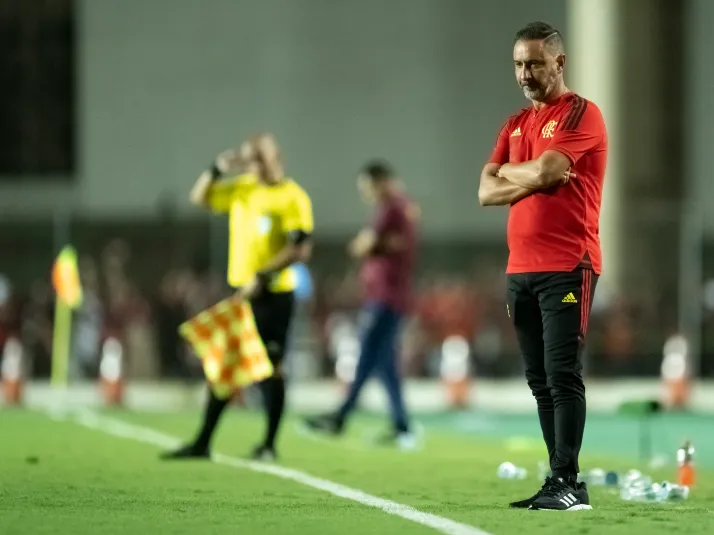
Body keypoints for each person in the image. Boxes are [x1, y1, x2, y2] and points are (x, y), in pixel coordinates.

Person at [479, 22, 607, 511]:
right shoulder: (514, 124)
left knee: (562, 373)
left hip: (568, 263)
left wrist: (514, 173)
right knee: (539, 380)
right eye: (518, 64)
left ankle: (568, 481)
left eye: (534, 63)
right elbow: (485, 191)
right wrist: (530, 174)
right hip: (521, 269)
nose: (524, 73)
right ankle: (558, 480)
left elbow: (549, 169)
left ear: (559, 62)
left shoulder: (581, 113)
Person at [162, 133, 314, 461]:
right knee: (225, 365)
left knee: (271, 368)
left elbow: (300, 249)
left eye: (258, 157)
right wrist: (217, 168)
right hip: (244, 295)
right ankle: (202, 442)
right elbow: (199, 197)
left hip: (275, 295)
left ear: (276, 158)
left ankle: (269, 444)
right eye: (248, 158)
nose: (252, 165)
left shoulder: (293, 197)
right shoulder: (243, 188)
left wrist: (263, 275)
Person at [305, 160, 418, 449]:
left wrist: (366, 244)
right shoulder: (403, 208)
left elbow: (363, 245)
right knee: (385, 363)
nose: (365, 194)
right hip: (389, 295)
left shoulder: (391, 208)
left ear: (381, 182)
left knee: (368, 355)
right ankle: (401, 425)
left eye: (367, 187)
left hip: (386, 296)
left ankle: (342, 416)